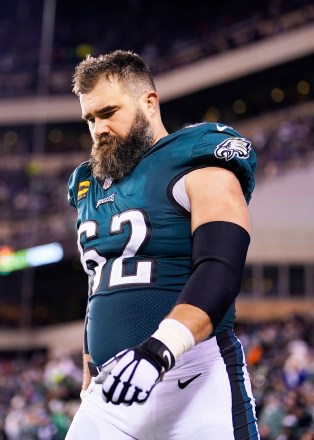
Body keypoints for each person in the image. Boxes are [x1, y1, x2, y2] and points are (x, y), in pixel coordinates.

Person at [65, 49, 260, 439]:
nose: (98, 129)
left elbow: (220, 269)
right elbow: (99, 280)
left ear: (148, 102)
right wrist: (90, 365)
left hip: (196, 379)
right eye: (90, 119)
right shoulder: (88, 183)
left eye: (108, 113)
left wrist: (158, 350)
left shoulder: (199, 159)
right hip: (112, 389)